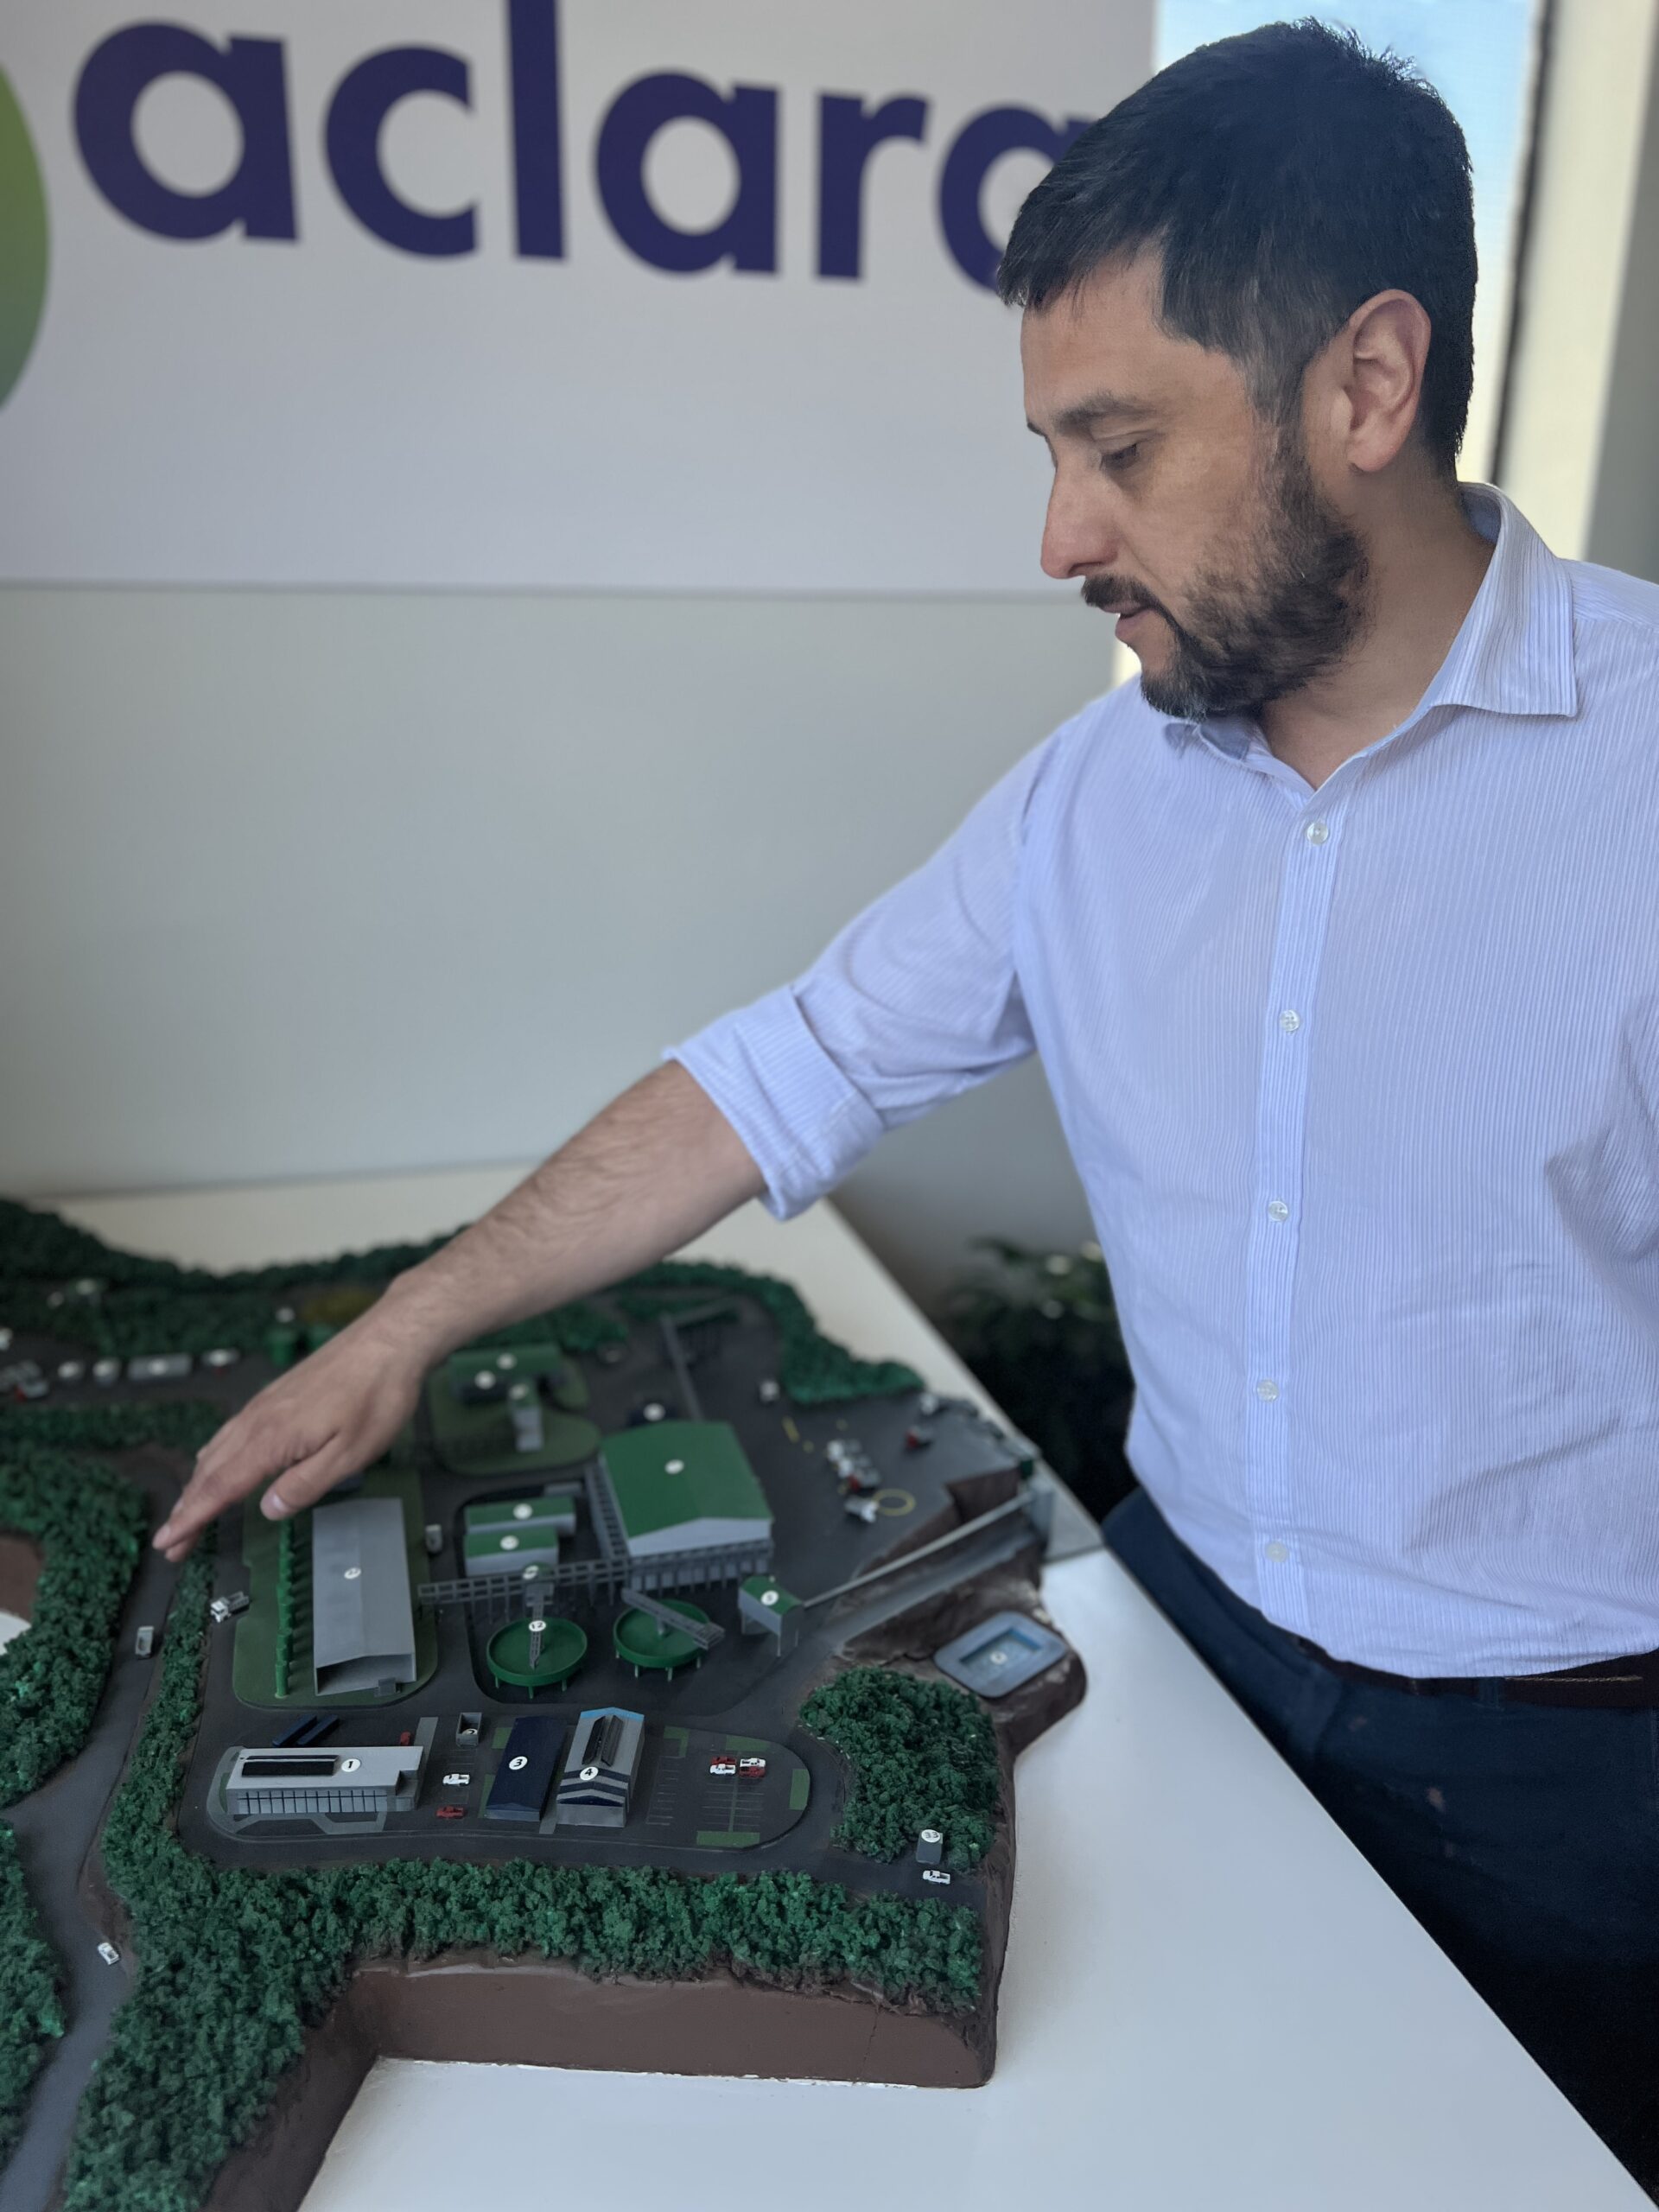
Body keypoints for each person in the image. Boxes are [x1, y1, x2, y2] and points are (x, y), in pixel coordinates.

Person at [155, 18, 1659, 2178]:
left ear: (1365, 385)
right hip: (1189, 1638)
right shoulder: (1089, 800)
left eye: (1118, 446)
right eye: (1048, 448)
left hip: (1582, 1787)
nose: (1058, 532)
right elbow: (784, 1065)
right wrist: (409, 1321)